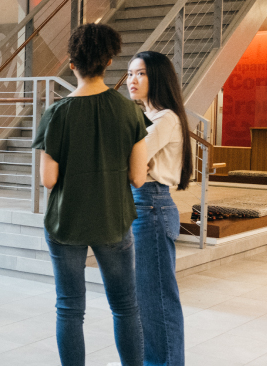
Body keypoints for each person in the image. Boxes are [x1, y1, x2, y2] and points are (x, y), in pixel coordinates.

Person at [33, 24, 148, 366]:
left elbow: (49, 179)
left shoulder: (55, 113)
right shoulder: (130, 111)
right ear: (109, 60)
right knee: (126, 306)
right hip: (113, 219)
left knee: (69, 308)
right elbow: (139, 178)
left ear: (72, 64)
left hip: (66, 221)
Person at [126, 51, 190, 366]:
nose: (132, 81)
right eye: (129, 74)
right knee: (145, 299)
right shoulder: (147, 117)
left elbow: (132, 161)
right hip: (142, 204)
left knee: (158, 301)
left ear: (157, 78)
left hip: (151, 204)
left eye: (140, 74)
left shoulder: (165, 118)